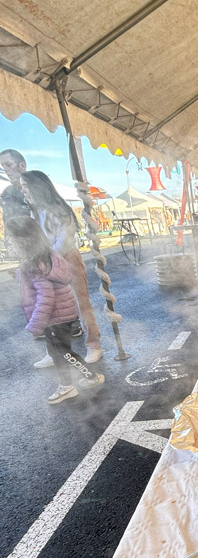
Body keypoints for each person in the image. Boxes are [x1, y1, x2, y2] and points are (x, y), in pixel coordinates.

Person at [6, 216, 104, 405]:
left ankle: (77, 382)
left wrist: (37, 324)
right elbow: (43, 282)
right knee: (60, 352)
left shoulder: (34, 264)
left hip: (54, 317)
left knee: (62, 353)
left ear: (23, 240)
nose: (9, 242)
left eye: (11, 238)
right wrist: (21, 275)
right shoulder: (45, 257)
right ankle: (79, 381)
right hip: (62, 314)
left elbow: (45, 296)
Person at [21, 170, 102, 366]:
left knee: (82, 304)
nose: (23, 191)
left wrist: (48, 261)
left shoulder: (59, 209)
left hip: (67, 259)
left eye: (25, 186)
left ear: (37, 187)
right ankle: (54, 351)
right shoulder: (34, 210)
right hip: (45, 262)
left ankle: (94, 345)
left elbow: (65, 240)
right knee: (52, 309)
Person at [0, 148, 32, 234]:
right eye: (3, 166)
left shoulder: (37, 189)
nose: (5, 170)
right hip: (13, 244)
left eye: (9, 165)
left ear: (22, 166)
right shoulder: (6, 192)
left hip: (37, 244)